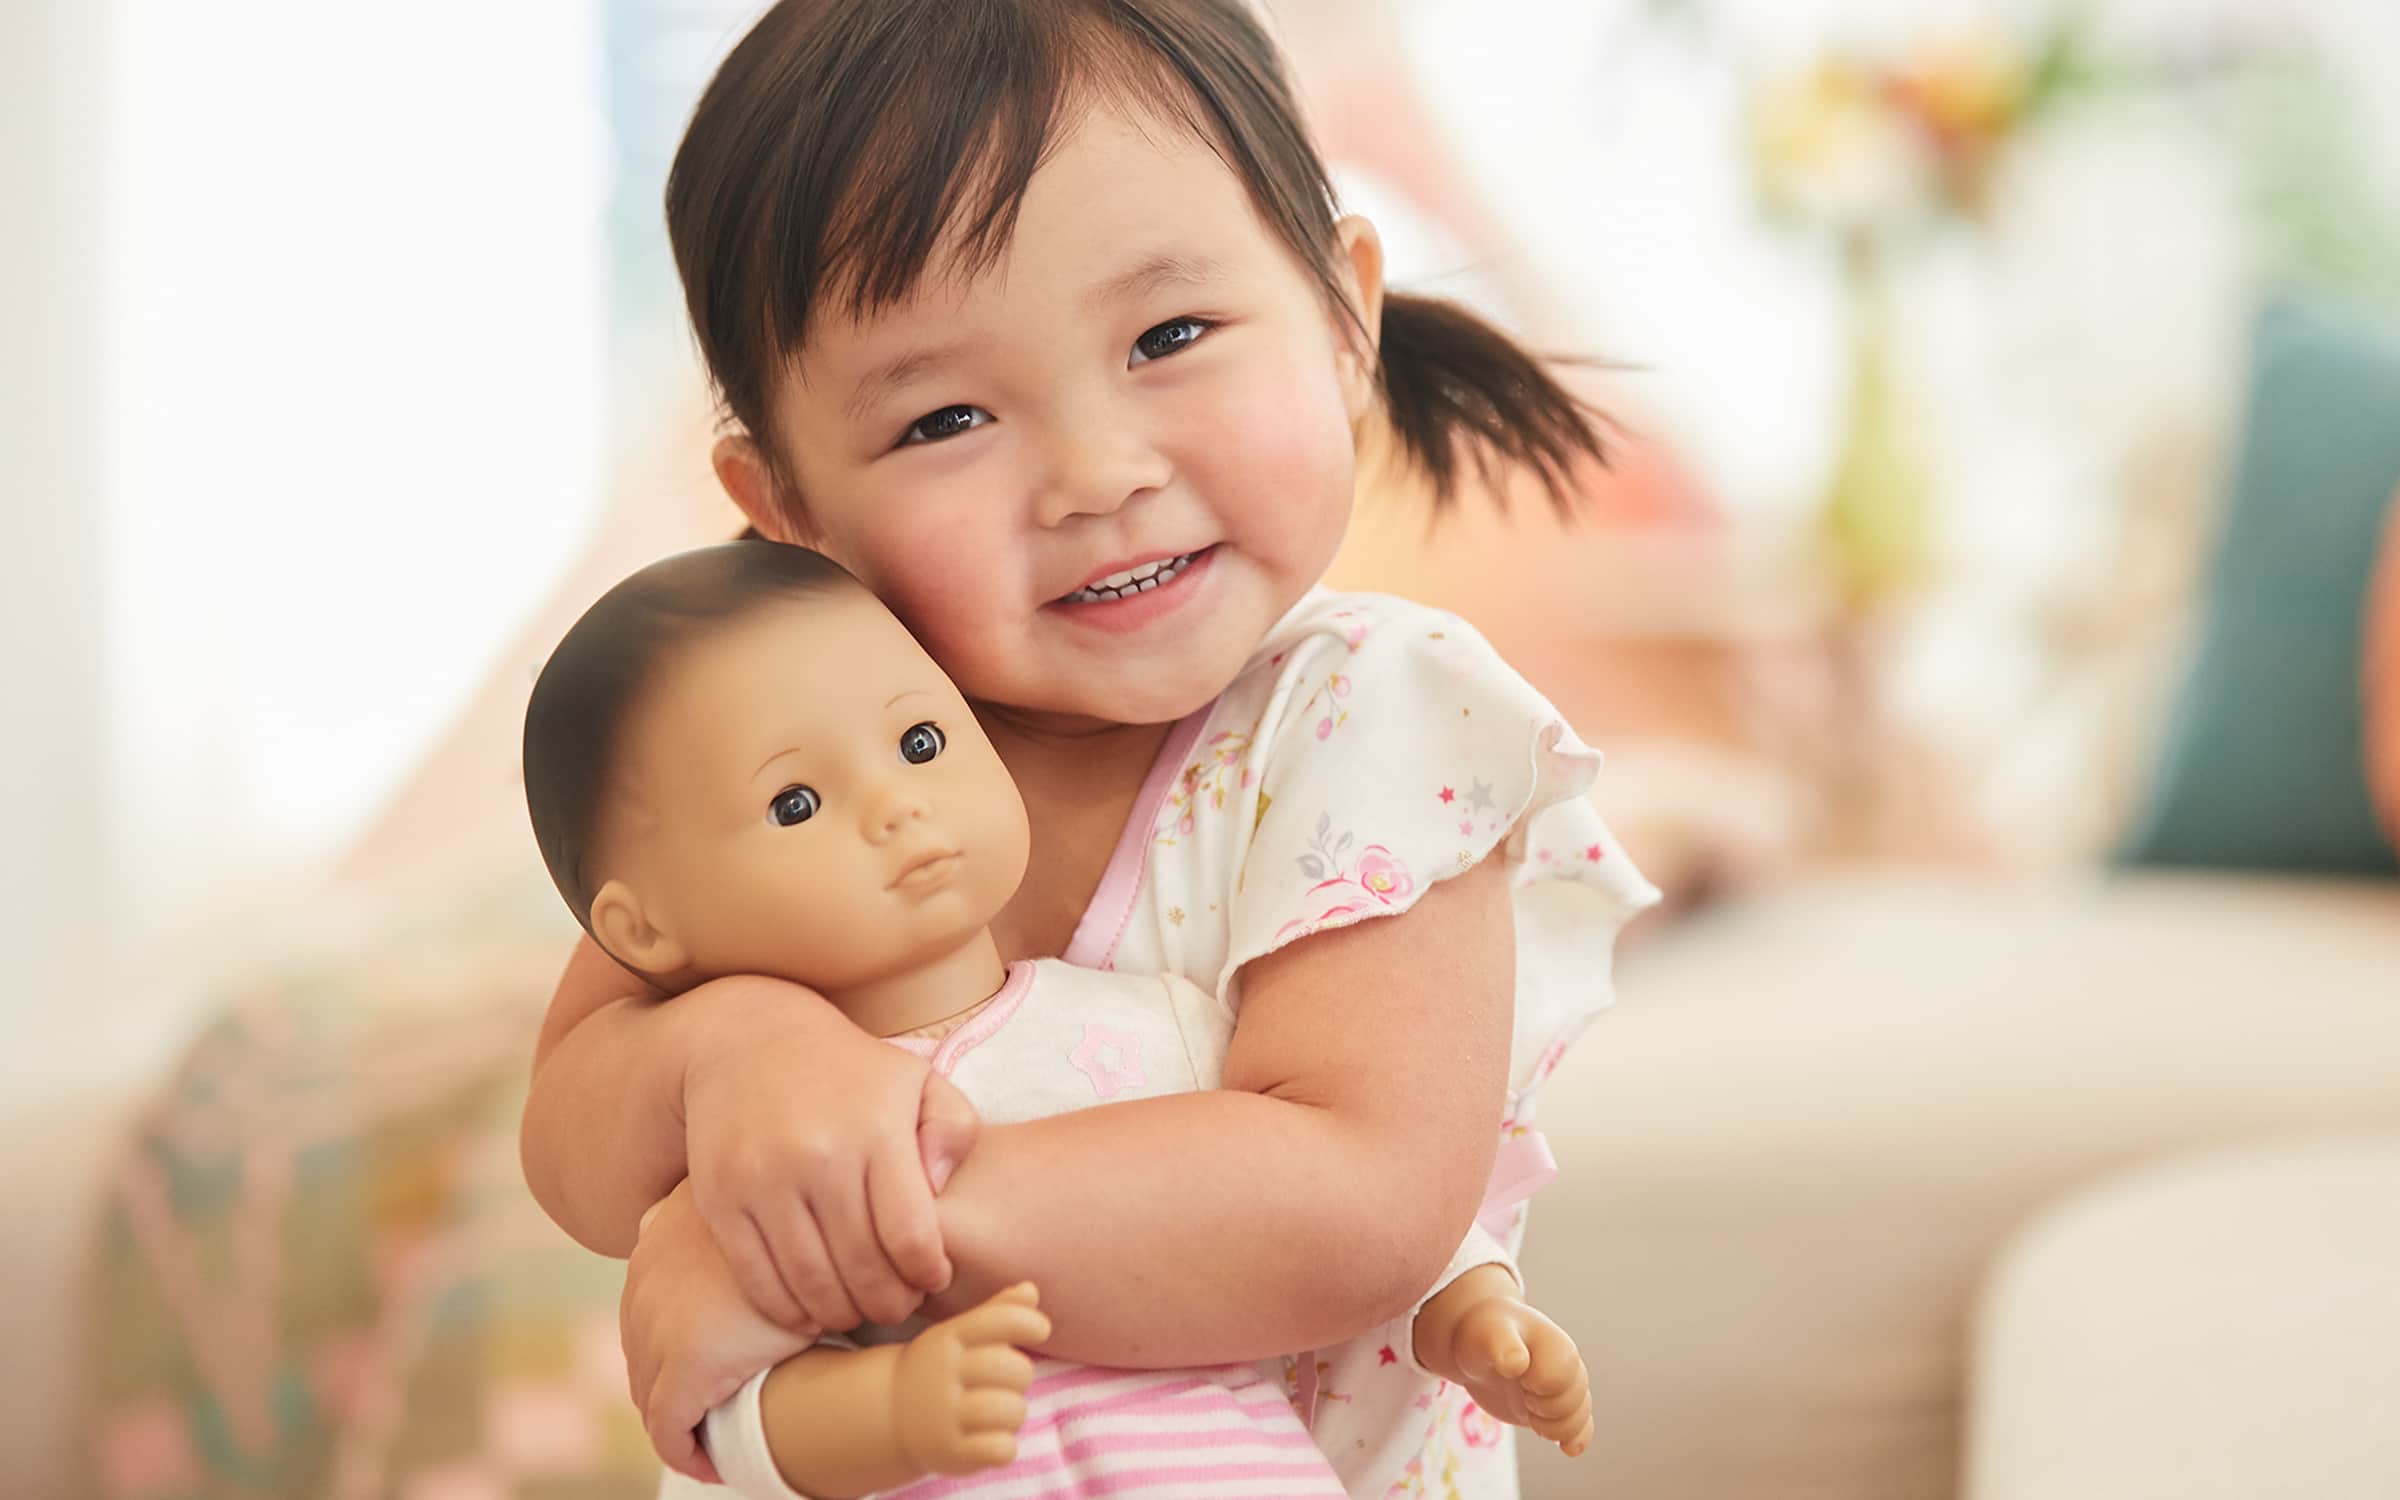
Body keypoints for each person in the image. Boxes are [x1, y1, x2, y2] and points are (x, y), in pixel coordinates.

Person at [517, 2, 1660, 1494]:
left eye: (1168, 336)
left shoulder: (1372, 721)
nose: (1096, 475)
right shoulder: (806, 746)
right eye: (945, 418)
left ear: (1342, 315)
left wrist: (811, 1253)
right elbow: (578, 1144)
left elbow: (1353, 1205)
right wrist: (728, 1054)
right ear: (784, 501)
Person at [523, 539, 1595, 1498]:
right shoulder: (763, 1139)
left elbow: (1349, 1194)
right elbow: (727, 1426)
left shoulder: (1144, 1030)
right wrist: (893, 1413)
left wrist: (1466, 1306)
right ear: (645, 929)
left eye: (923, 745)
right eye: (795, 804)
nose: (898, 805)